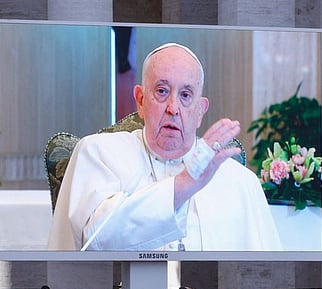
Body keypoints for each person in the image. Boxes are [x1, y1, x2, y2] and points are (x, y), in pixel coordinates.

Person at [47, 42, 281, 252]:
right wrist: (184, 185)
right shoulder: (97, 153)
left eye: (186, 95)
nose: (173, 108)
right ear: (140, 100)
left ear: (200, 111)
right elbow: (92, 242)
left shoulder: (241, 182)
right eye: (162, 91)